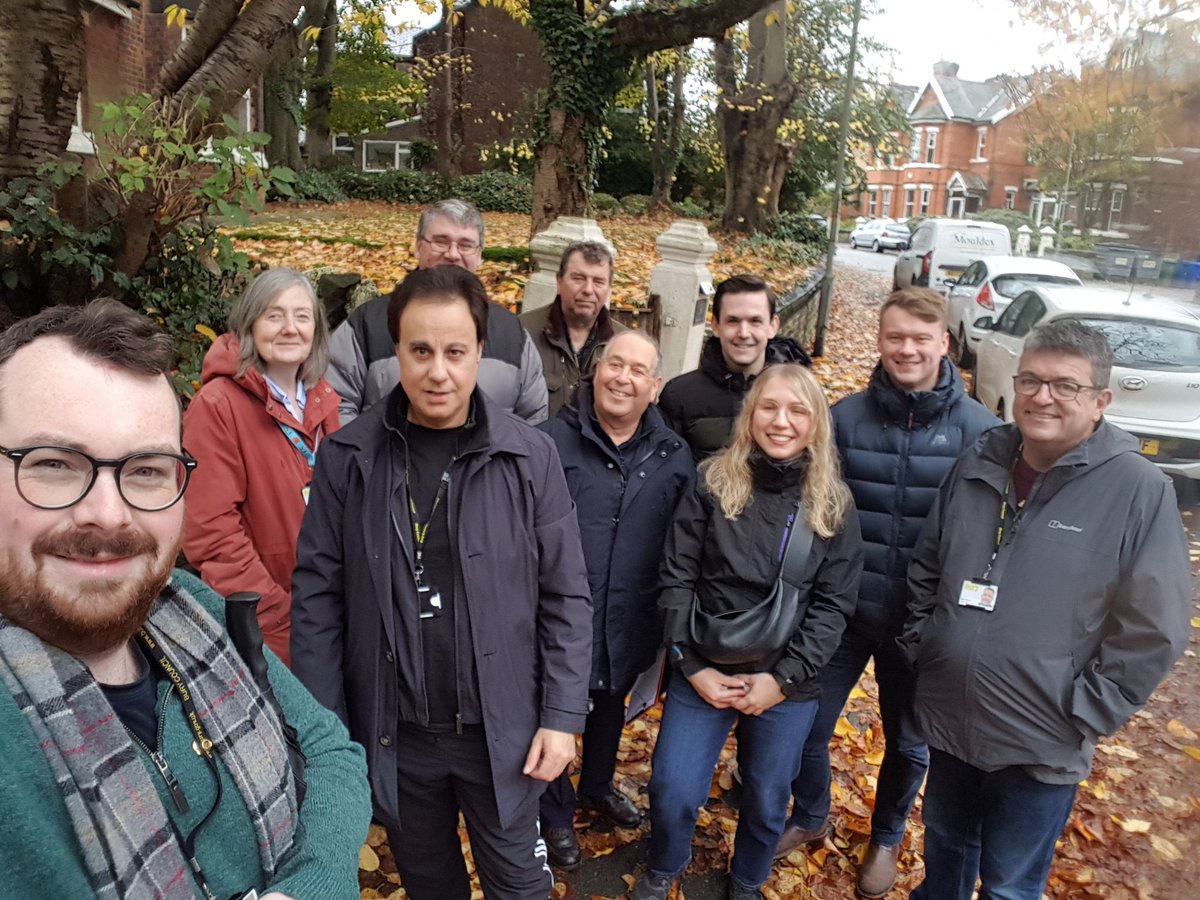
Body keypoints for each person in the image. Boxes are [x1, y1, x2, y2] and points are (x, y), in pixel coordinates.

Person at [0, 299, 370, 899]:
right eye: (53, 464)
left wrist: (309, 886)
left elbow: (331, 751)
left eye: (145, 470)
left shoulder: (193, 609)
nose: (106, 513)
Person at [290, 266, 593, 900]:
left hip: (502, 734)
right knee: (431, 887)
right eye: (419, 350)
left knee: (521, 886)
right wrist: (329, 732)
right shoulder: (350, 457)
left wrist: (562, 716)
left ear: (480, 352)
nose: (438, 370)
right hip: (398, 735)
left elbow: (566, 596)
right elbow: (317, 599)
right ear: (395, 351)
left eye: (455, 352)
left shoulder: (527, 456)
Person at [899, 319, 1191, 900]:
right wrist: (924, 646)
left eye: (1065, 386)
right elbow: (928, 563)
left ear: (1101, 401)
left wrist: (1084, 710)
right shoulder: (981, 460)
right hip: (951, 717)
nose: (1042, 396)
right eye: (1031, 380)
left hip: (1043, 739)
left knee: (1009, 885)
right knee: (946, 859)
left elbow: (1154, 626)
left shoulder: (1137, 489)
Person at [777, 288, 997, 897]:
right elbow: (813, 509)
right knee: (806, 727)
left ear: (943, 344)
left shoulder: (981, 432)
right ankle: (812, 812)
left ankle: (886, 835)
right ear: (879, 340)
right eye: (895, 337)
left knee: (909, 742)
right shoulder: (843, 419)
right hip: (843, 614)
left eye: (920, 339)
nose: (907, 349)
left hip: (923, 624)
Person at [633, 364, 863, 900]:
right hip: (705, 665)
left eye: (797, 410)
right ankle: (666, 863)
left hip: (786, 679)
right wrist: (692, 666)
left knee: (765, 797)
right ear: (750, 415)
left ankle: (748, 878)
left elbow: (833, 605)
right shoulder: (711, 482)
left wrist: (782, 680)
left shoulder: (833, 505)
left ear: (816, 424)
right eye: (769, 407)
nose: (781, 422)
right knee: (672, 789)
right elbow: (676, 577)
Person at [537, 331, 695, 868]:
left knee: (610, 702)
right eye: (614, 365)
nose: (622, 378)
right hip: (558, 615)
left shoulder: (673, 455)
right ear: (596, 371)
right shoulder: (551, 442)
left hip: (631, 614)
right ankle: (554, 813)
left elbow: (683, 539)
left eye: (637, 371)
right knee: (555, 708)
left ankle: (596, 785)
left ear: (654, 387)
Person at [183, 268, 339, 666]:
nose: (290, 328)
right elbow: (211, 533)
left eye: (302, 317)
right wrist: (275, 615)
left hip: (328, 616)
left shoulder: (324, 401)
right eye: (274, 315)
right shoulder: (218, 406)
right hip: (272, 629)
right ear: (250, 323)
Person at [327, 198, 548, 424]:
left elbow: (533, 423)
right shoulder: (366, 325)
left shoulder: (512, 334)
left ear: (479, 255)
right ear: (418, 246)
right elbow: (334, 409)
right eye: (441, 242)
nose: (453, 254)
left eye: (465, 245)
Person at [658, 274, 811, 464]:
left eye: (755, 321)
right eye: (733, 321)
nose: (744, 333)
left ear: (773, 326)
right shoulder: (680, 396)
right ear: (716, 325)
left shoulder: (803, 394)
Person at [519, 240, 627, 418]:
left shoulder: (624, 343)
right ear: (559, 282)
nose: (588, 290)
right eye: (578, 278)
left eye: (598, 281)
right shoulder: (521, 333)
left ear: (609, 289)